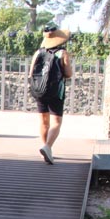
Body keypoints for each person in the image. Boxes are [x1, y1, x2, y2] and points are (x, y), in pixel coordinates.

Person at [30, 24, 74, 164]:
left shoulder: (38, 52)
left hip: (40, 91)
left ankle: (46, 148)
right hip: (56, 91)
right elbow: (68, 73)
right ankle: (48, 147)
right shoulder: (62, 53)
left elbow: (31, 74)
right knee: (56, 122)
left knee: (43, 121)